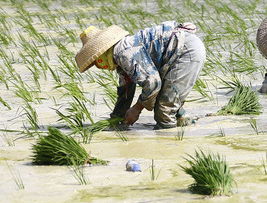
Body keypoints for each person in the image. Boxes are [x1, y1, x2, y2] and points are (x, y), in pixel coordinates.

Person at [75, 22, 206, 128]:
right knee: (165, 100)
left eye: (97, 63)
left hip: (186, 51)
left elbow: (153, 83)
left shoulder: (124, 53)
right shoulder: (120, 60)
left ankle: (169, 146)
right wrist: (117, 119)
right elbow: (126, 91)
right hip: (179, 51)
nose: (100, 67)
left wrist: (136, 109)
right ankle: (188, 126)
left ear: (102, 55)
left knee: (164, 111)